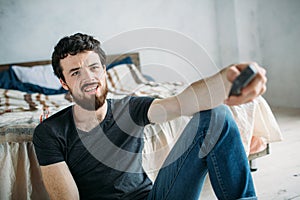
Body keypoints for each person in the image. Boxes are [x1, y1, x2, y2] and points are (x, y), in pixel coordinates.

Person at [33, 33, 267, 200]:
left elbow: (181, 102)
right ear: (63, 83)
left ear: (104, 71)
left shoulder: (130, 108)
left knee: (218, 114)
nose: (88, 78)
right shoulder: (50, 132)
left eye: (94, 68)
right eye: (76, 72)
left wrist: (227, 78)